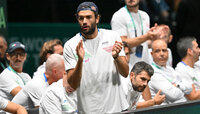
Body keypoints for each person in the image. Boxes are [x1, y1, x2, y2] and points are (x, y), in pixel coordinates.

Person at [63, 2, 129, 113]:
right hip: (89, 110)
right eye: (81, 18)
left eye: (88, 17)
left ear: (97, 18)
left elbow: (125, 72)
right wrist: (80, 61)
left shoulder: (113, 36)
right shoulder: (70, 45)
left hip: (116, 108)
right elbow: (73, 84)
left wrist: (116, 57)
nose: (84, 21)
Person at [111, 0, 159, 69]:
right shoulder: (119, 16)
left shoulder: (145, 16)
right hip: (128, 67)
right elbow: (122, 43)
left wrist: (155, 37)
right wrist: (147, 36)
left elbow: (145, 43)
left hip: (145, 63)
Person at [149, 39, 188, 105]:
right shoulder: (152, 72)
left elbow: (189, 87)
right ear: (152, 54)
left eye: (164, 50)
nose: (162, 54)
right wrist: (184, 90)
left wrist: (177, 86)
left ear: (168, 52)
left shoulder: (170, 69)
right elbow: (174, 95)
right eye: (157, 51)